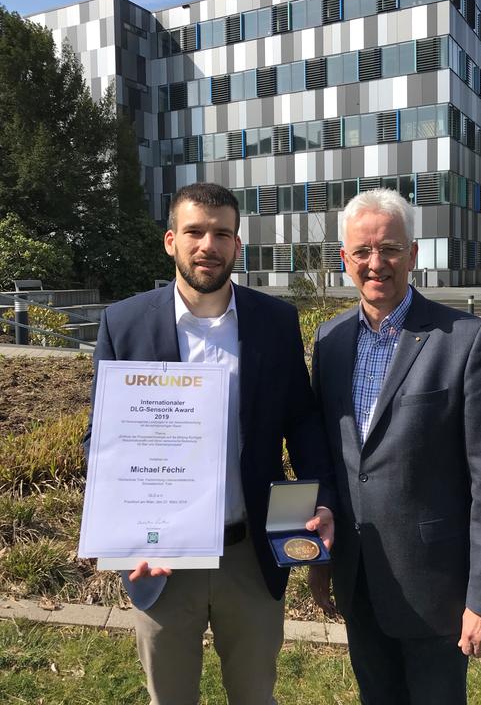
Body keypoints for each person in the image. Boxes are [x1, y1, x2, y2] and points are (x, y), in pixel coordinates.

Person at [84, 182, 335, 705]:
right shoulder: (124, 323)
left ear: (237, 246)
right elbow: (106, 439)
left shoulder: (274, 322)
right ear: (171, 240)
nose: (208, 245)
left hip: (248, 556)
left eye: (222, 233)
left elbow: (302, 421)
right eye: (195, 231)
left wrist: (323, 499)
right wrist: (124, 531)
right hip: (162, 558)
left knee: (254, 695)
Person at [309, 188, 481, 705]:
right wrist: (319, 560)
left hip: (437, 594)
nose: (375, 263)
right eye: (361, 251)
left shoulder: (466, 340)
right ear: (345, 259)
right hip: (359, 582)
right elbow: (336, 465)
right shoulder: (330, 341)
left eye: (390, 249)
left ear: (414, 254)